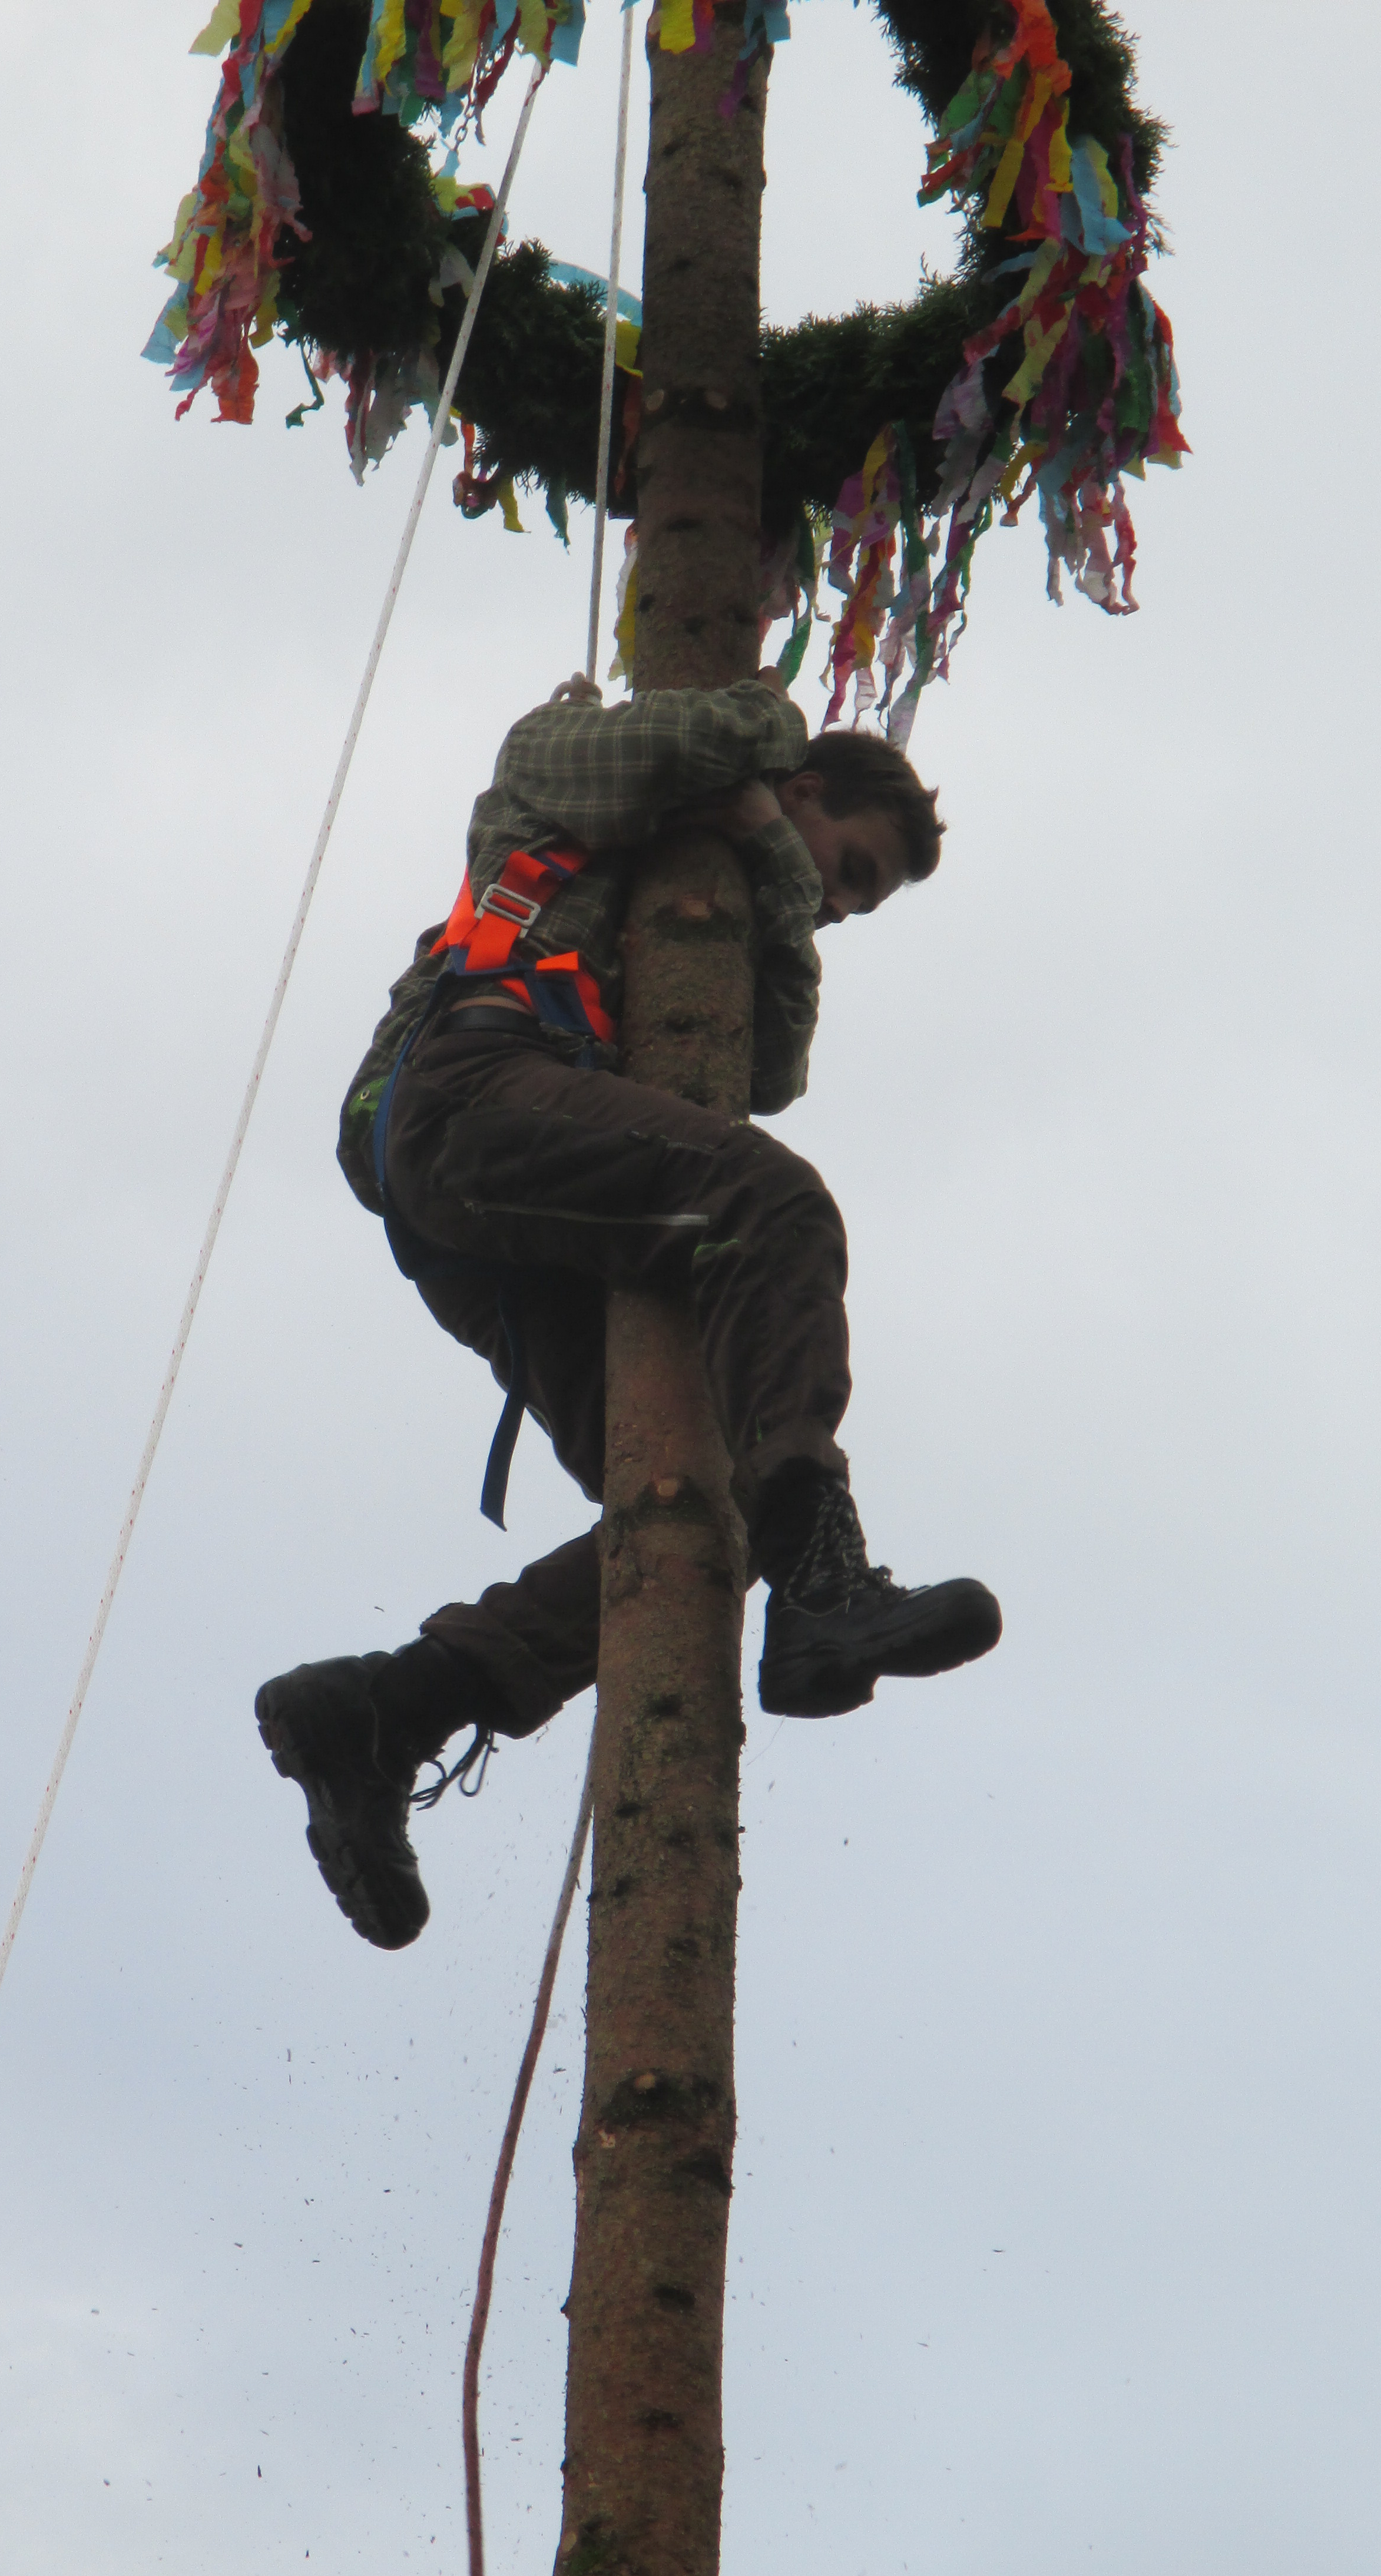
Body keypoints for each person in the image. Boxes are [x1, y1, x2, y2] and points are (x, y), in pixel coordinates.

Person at [256, 665, 1001, 1949]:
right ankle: (824, 1579)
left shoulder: (751, 883)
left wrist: (772, 856)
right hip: (469, 1096)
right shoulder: (557, 758)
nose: (837, 900)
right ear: (808, 786)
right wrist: (764, 767)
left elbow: (770, 1065)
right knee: (774, 1211)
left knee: (690, 1512)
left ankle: (397, 1705)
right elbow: (681, 746)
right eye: (853, 866)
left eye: (858, 897)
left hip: (507, 1207)